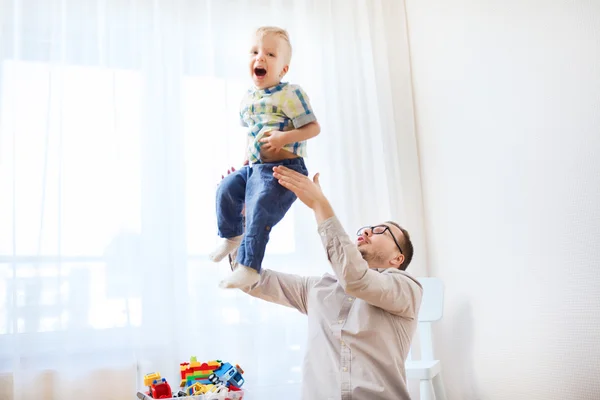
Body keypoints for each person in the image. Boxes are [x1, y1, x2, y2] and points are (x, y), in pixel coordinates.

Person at [228, 165, 423, 400]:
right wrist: (240, 218)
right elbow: (250, 279)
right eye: (366, 229)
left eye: (381, 231)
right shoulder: (318, 289)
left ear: (397, 258)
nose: (368, 232)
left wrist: (320, 204)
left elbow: (356, 279)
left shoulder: (406, 289)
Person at [210, 26, 320, 289]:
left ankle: (249, 267)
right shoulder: (248, 99)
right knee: (225, 189)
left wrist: (283, 138)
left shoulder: (291, 93)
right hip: (256, 167)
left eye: (270, 54)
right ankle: (231, 234)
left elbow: (313, 128)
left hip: (285, 167)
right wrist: (245, 162)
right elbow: (252, 134)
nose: (260, 58)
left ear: (283, 69)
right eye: (255, 52)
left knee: (260, 207)